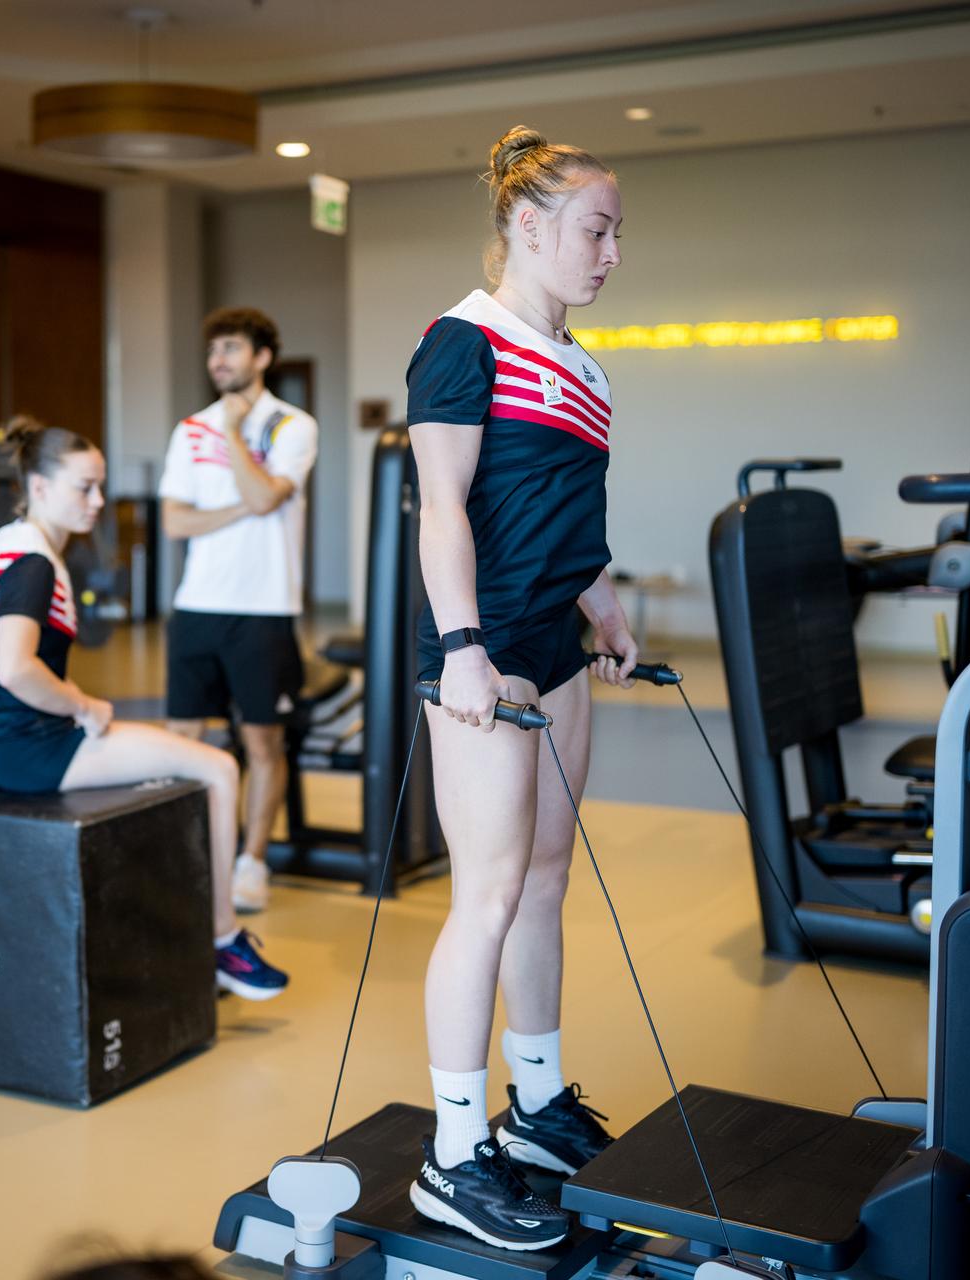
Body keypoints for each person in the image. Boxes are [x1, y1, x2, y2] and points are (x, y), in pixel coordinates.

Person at [403, 126, 638, 1250]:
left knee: (546, 877)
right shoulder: (464, 342)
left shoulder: (585, 365)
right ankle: (454, 1155)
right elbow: (443, 504)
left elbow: (560, 511)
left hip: (554, 642)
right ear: (529, 227)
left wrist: (603, 600)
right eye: (597, 230)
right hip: (482, 650)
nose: (610, 252)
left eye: (616, 233)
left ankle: (535, 1103)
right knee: (487, 894)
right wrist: (460, 648)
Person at [0, 416, 289, 1001]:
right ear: (39, 487)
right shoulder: (32, 560)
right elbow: (13, 668)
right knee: (219, 768)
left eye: (100, 486)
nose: (98, 500)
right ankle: (222, 940)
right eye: (83, 488)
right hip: (31, 752)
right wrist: (82, 705)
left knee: (180, 757)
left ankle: (199, 928)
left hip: (6, 744)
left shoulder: (11, 542)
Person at [158, 307, 321, 914]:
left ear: (262, 357)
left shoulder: (292, 425)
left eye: (230, 349)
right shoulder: (188, 429)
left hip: (264, 610)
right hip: (197, 607)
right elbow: (174, 522)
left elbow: (265, 494)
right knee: (182, 740)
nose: (218, 361)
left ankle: (252, 862)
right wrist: (242, 507)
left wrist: (232, 435)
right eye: (212, 352)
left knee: (262, 742)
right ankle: (187, 851)